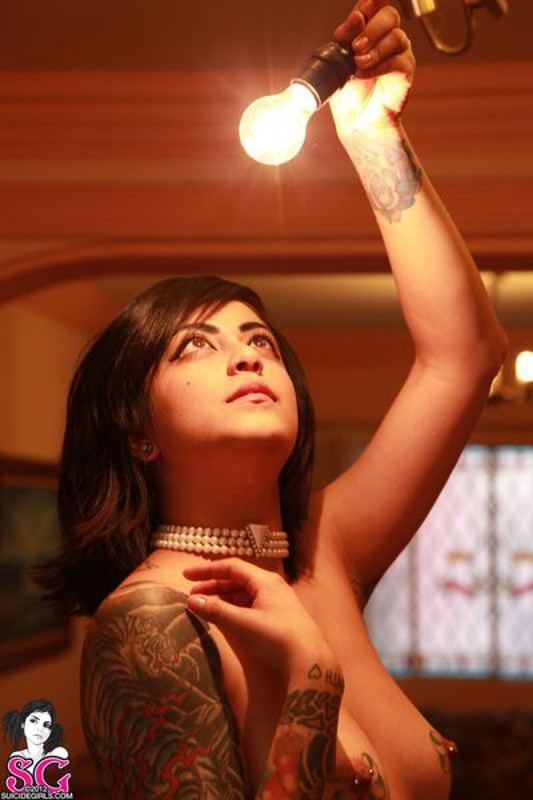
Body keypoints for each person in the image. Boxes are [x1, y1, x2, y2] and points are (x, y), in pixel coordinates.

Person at [36, 1, 508, 798]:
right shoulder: (151, 621)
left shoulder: (322, 554)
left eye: (258, 339)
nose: (247, 355)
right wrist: (311, 676)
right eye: (196, 345)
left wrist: (369, 131)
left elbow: (463, 357)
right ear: (138, 430)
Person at [2, 699, 68, 777]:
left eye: (46, 725)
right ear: (22, 723)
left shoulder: (59, 752)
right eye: (33, 721)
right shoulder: (17, 756)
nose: (40, 729)